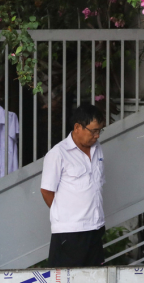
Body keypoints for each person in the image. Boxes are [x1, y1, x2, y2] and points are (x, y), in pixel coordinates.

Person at [40, 104, 106, 267]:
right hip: (70, 233)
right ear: (77, 127)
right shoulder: (58, 154)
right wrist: (66, 213)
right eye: (94, 131)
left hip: (95, 228)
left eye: (100, 131)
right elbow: (47, 191)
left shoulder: (98, 149)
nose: (97, 136)